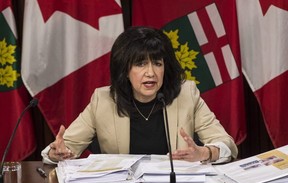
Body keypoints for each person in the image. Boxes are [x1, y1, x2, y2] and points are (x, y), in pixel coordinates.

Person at [41, 26, 238, 164]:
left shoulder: (186, 94)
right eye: (141, 64)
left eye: (158, 63)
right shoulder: (103, 100)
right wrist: (55, 153)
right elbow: (63, 148)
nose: (151, 72)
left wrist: (205, 152)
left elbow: (226, 144)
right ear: (125, 70)